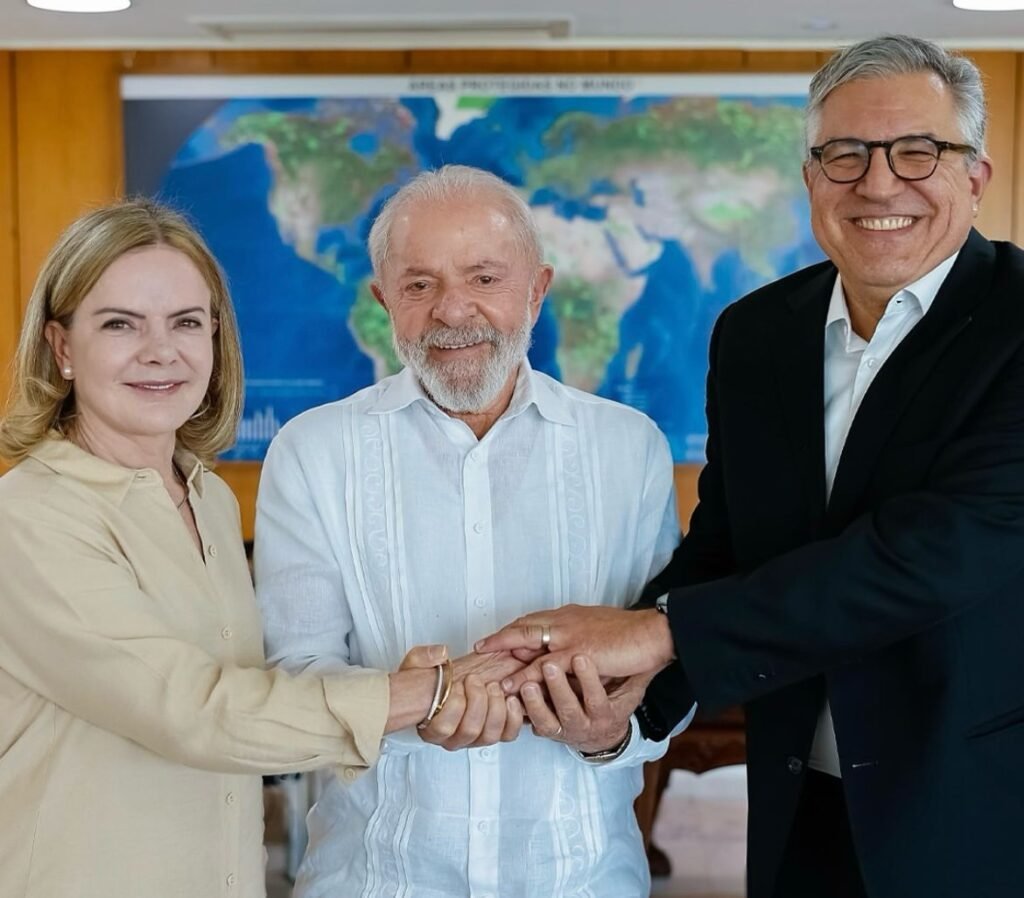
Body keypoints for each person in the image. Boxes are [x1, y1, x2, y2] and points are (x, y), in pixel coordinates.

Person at [479, 35, 1024, 898]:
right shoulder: (756, 334)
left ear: (975, 178)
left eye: (919, 152)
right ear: (811, 178)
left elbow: (927, 553)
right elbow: (728, 542)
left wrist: (661, 633)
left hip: (978, 814)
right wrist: (636, 696)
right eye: (845, 155)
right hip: (795, 808)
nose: (879, 183)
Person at [0, 198, 520, 898]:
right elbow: (195, 711)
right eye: (120, 324)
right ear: (62, 348)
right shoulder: (29, 517)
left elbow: (248, 702)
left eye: (185, 322)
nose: (161, 351)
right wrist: (420, 694)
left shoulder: (205, 497)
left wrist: (392, 690)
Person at [254, 165, 689, 898]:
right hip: (373, 882)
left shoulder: (630, 447)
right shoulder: (311, 451)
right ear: (382, 301)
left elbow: (664, 662)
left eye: (484, 278)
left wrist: (611, 733)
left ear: (538, 288)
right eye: (419, 285)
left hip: (582, 881)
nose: (453, 311)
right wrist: (416, 698)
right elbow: (295, 684)